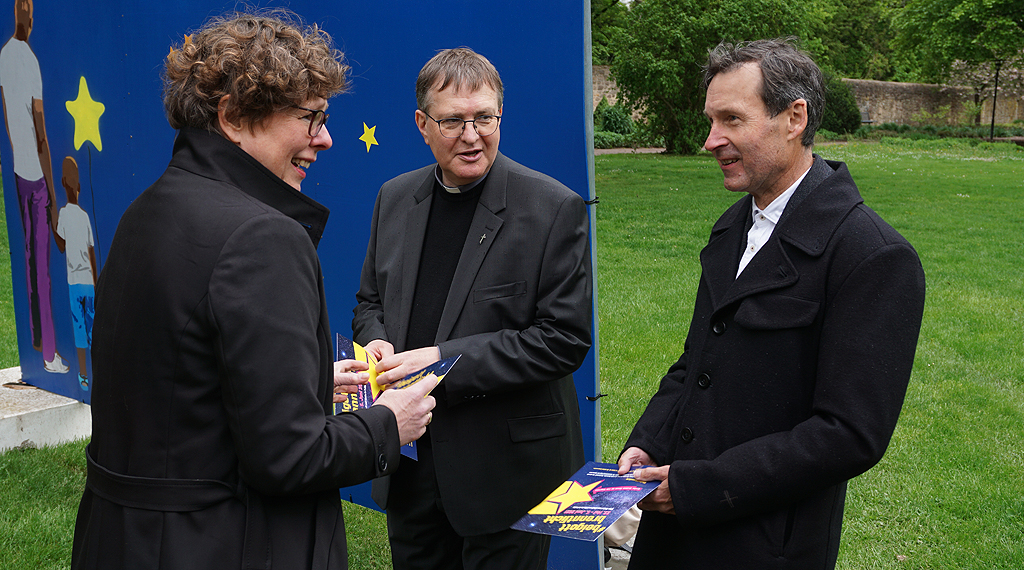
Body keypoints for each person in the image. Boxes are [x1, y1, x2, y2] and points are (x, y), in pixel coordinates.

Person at [71, 11, 436, 570]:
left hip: (124, 540)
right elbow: (290, 459)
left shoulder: (148, 209)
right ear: (235, 117)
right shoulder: (262, 235)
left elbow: (180, 386)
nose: (327, 138)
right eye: (311, 118)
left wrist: (309, 378)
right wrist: (390, 421)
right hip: (222, 544)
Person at [617, 38, 926, 568]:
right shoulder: (734, 225)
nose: (711, 140)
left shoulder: (872, 255)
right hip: (674, 536)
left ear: (794, 118)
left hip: (765, 545)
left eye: (732, 119)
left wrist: (699, 489)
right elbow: (696, 363)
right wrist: (648, 442)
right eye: (711, 120)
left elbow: (848, 435)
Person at [352, 47, 592, 570]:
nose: (471, 134)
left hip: (507, 472)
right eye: (453, 120)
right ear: (422, 123)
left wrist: (439, 361)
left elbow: (563, 340)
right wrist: (376, 340)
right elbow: (370, 301)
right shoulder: (393, 198)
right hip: (410, 466)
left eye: (485, 117)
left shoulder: (553, 208)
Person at [0, 0, 69, 374]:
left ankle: (38, 342)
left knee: (30, 260)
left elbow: (11, 120)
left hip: (18, 172)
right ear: (23, 10)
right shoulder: (26, 58)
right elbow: (39, 129)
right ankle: (47, 354)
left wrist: (17, 156)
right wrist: (54, 197)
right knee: (40, 265)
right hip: (37, 178)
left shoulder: (4, 54)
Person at [53, 156, 97, 391]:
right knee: (93, 329)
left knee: (80, 330)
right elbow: (91, 254)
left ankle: (83, 375)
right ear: (78, 187)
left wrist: (52, 221)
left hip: (73, 283)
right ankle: (98, 371)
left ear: (62, 182)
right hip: (88, 282)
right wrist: (97, 283)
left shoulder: (63, 214)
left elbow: (61, 245)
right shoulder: (84, 216)